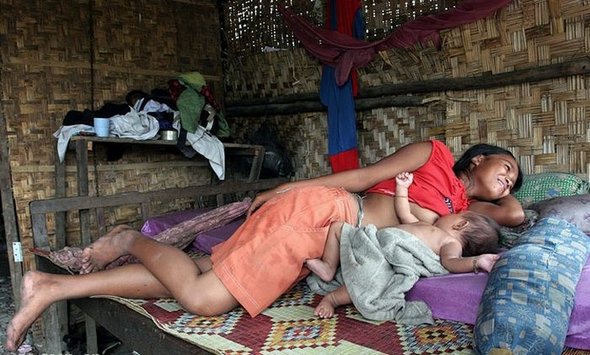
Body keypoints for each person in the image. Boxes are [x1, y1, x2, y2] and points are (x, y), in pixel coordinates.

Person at [6, 140, 524, 352]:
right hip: (327, 213)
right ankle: (125, 239)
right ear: (476, 158)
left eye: (514, 179)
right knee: (206, 299)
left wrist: (504, 197)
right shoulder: (432, 154)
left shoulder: (464, 211)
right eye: (504, 168)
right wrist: (287, 189)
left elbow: (517, 215)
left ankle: (51, 286)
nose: (508, 181)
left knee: (206, 268)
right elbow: (361, 176)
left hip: (327, 239)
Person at [306, 171, 501, 318]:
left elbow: (451, 262)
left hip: (386, 258)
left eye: (455, 214)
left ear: (460, 223)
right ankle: (328, 267)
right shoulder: (427, 227)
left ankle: (332, 299)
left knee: (367, 280)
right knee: (338, 227)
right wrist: (402, 188)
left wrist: (477, 262)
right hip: (375, 241)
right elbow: (404, 213)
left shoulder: (450, 243)